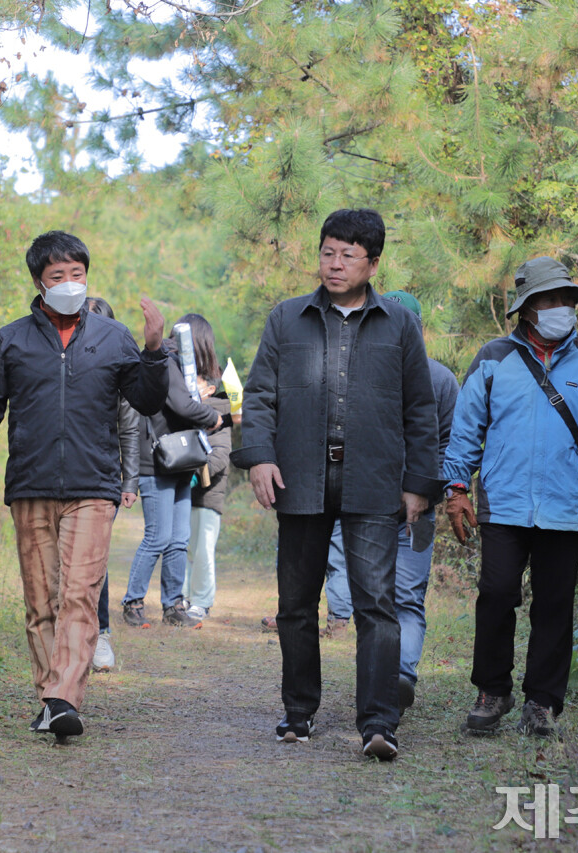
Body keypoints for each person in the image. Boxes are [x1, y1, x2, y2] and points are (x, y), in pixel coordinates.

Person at [231, 208, 442, 761]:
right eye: (328, 251)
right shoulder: (287, 319)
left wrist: (419, 482)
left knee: (376, 603)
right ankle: (298, 712)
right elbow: (259, 396)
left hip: (374, 481)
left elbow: (421, 409)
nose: (335, 263)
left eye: (349, 255)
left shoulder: (398, 325)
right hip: (299, 478)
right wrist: (257, 457)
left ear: (373, 263)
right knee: (296, 603)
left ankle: (378, 723)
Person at [0, 231, 169, 739]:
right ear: (38, 283)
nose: (70, 284)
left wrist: (154, 350)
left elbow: (148, 400)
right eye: (58, 276)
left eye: (78, 274)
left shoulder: (113, 338)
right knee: (41, 602)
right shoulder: (12, 340)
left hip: (94, 486)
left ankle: (64, 697)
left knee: (79, 594)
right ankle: (51, 698)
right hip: (31, 485)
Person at [443, 256, 578, 738]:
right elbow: (465, 430)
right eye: (550, 300)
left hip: (565, 504)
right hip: (503, 502)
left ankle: (542, 702)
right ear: (528, 309)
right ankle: (493, 691)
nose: (561, 308)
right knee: (495, 596)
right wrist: (455, 488)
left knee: (553, 605)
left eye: (566, 300)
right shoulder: (493, 358)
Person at [122, 312, 223, 629]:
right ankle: (133, 601)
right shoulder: (164, 361)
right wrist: (212, 416)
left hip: (180, 463)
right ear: (197, 342)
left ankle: (172, 604)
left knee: (179, 538)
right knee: (158, 537)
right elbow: (181, 405)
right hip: (157, 463)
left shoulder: (184, 368)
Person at [84, 296, 140, 673]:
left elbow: (130, 427)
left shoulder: (119, 373)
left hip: (101, 477)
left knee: (93, 562)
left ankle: (100, 634)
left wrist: (129, 479)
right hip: (54, 477)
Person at [182, 367, 232, 619]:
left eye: (196, 382)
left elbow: (220, 456)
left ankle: (201, 601)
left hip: (208, 497)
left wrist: (193, 477)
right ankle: (182, 598)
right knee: (185, 548)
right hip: (186, 496)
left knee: (202, 551)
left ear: (210, 389)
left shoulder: (219, 414)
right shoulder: (191, 412)